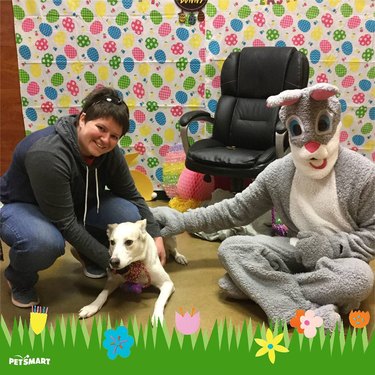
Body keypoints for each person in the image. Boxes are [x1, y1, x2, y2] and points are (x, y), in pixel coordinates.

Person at [152, 84, 375, 331]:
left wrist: (332, 246)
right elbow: (235, 209)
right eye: (298, 130)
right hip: (295, 248)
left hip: (340, 260)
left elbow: (371, 236)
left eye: (322, 126)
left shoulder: (362, 174)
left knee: (360, 278)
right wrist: (182, 220)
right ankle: (303, 309)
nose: (311, 148)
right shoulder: (279, 173)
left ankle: (260, 288)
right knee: (232, 249)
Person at [0, 86, 166, 308]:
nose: (105, 140)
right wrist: (117, 265)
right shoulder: (48, 154)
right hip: (22, 205)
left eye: (114, 136)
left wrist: (156, 237)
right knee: (44, 242)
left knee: (128, 213)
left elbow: (133, 196)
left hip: (70, 203)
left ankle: (86, 253)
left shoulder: (109, 152)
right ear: (83, 119)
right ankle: (19, 278)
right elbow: (66, 223)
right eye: (100, 128)